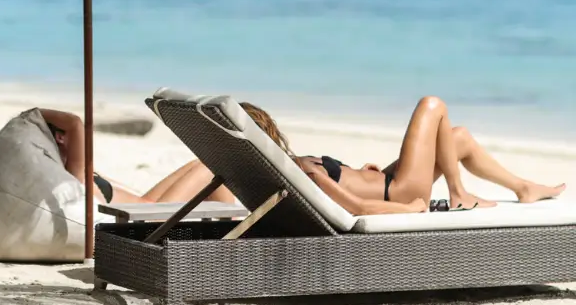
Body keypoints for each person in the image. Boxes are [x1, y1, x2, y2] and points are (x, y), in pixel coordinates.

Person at [239, 97, 566, 215]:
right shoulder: (304, 175)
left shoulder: (293, 166)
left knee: (458, 138)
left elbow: (351, 191)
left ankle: (523, 188)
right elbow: (358, 207)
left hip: (389, 180)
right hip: (398, 190)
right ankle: (458, 194)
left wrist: (356, 171)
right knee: (433, 105)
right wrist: (409, 208)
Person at [39, 109, 237, 205]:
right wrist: (33, 113)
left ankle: (232, 233)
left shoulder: (79, 172)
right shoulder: (74, 174)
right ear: (60, 137)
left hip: (147, 206)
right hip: (148, 220)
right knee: (210, 169)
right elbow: (75, 122)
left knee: (200, 164)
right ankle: (236, 240)